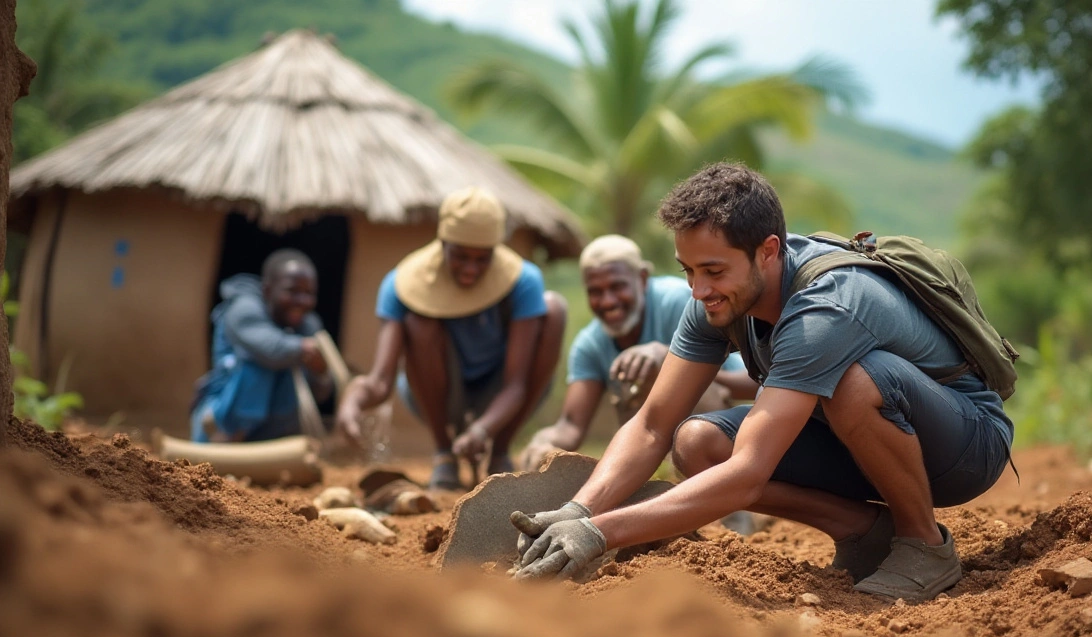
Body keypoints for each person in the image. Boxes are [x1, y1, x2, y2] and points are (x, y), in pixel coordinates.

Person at [510, 162, 1013, 602]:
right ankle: (867, 535)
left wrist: (598, 533)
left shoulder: (825, 308)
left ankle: (923, 544)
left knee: (856, 383)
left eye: (713, 270)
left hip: (963, 446)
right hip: (858, 441)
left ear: (768, 251)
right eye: (688, 271)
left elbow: (750, 472)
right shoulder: (717, 301)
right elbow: (652, 425)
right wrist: (577, 510)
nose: (699, 290)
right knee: (698, 442)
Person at [336, 186, 566, 489]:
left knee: (554, 309)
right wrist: (352, 400)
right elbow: (380, 382)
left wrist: (483, 431)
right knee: (418, 321)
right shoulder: (399, 285)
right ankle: (443, 451)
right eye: (459, 256)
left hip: (503, 396)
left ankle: (500, 451)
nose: (470, 270)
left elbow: (516, 385)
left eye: (483, 259)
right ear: (442, 242)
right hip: (436, 395)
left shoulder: (524, 282)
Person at [517, 234, 756, 472]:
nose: (608, 301)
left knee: (656, 369)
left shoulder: (683, 304)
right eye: (595, 291)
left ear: (642, 279)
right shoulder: (590, 345)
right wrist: (546, 444)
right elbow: (571, 425)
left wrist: (669, 361)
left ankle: (723, 495)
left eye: (617, 287)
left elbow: (754, 384)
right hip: (654, 440)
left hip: (723, 427)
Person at [191, 249, 332, 442]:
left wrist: (320, 372)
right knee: (259, 364)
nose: (302, 301)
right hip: (222, 422)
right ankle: (226, 441)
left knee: (291, 373)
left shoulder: (308, 324)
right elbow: (271, 350)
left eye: (308, 293)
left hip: (271, 433)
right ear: (267, 290)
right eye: (292, 291)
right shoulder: (244, 309)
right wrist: (303, 349)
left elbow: (321, 393)